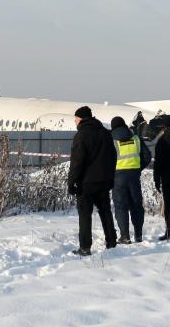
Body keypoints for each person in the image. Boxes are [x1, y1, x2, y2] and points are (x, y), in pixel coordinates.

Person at [67, 106, 118, 255]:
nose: (75, 121)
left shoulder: (81, 135)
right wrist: (110, 177)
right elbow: (113, 157)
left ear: (81, 118)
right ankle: (111, 242)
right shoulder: (105, 133)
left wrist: (71, 182)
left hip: (86, 183)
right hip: (103, 181)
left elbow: (77, 162)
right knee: (106, 212)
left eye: (76, 118)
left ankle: (85, 247)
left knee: (84, 215)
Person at [110, 116, 152, 244]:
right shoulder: (136, 138)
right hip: (134, 176)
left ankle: (125, 236)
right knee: (136, 206)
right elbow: (147, 156)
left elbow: (107, 160)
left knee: (120, 206)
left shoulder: (111, 140)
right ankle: (138, 236)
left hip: (118, 178)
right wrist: (137, 168)